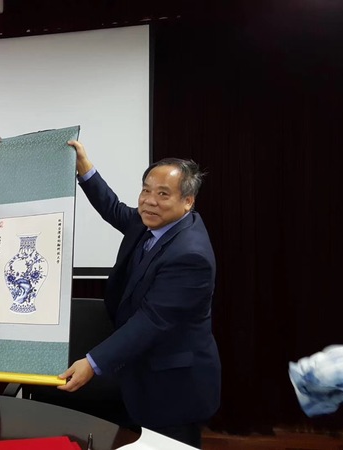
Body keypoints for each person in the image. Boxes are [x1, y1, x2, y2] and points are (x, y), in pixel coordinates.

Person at [58, 140, 220, 448]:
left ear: (188, 201)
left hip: (174, 387)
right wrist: (84, 168)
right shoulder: (151, 223)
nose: (149, 201)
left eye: (163, 194)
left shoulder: (190, 255)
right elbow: (113, 208)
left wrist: (92, 363)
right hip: (140, 374)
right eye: (146, 190)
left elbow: (153, 320)